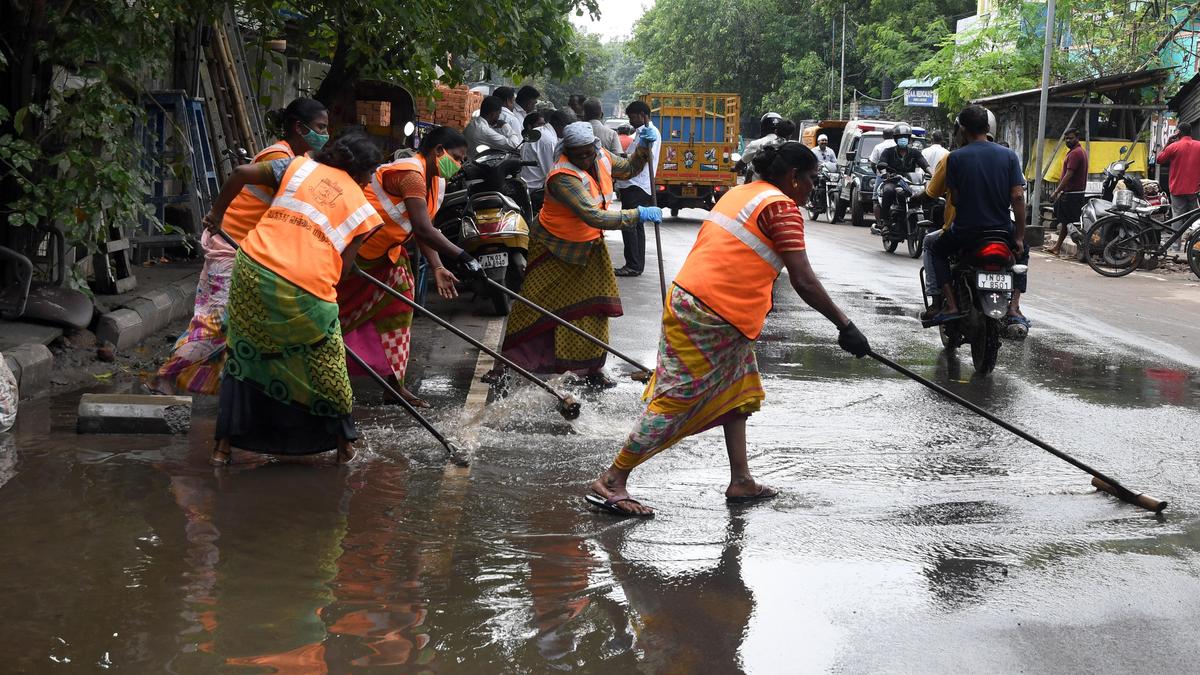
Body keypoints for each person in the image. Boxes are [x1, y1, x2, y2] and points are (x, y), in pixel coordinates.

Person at [586, 142, 870, 517]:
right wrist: (845, 325)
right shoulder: (781, 207)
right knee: (677, 399)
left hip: (699, 303)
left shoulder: (742, 193)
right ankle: (613, 479)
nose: (813, 187)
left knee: (739, 391)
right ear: (793, 177)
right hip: (711, 314)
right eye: (812, 179)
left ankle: (741, 480)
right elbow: (803, 280)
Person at [204, 133, 386, 466]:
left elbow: (241, 173)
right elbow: (342, 271)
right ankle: (344, 448)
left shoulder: (296, 166)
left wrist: (217, 215)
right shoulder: (365, 211)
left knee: (244, 356)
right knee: (327, 365)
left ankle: (222, 449)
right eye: (371, 172)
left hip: (253, 269)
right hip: (305, 287)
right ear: (361, 171)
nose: (371, 179)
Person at [149, 98, 329, 396]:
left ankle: (224, 386)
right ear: (300, 128)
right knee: (219, 319)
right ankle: (166, 376)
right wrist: (216, 214)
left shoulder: (297, 160)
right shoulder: (281, 158)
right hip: (230, 245)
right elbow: (240, 173)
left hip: (245, 249)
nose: (324, 135)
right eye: (320, 128)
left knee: (235, 321)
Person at [336, 126, 484, 409]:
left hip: (388, 255)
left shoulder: (436, 181)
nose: (458, 165)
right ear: (438, 151)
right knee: (337, 314)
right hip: (355, 255)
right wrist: (463, 256)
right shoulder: (411, 175)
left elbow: (425, 229)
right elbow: (422, 228)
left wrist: (437, 266)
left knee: (400, 308)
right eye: (456, 157)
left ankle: (395, 386)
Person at [502, 122, 659, 389]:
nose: (585, 158)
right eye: (578, 154)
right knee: (534, 303)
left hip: (588, 245)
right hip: (553, 247)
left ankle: (592, 368)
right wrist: (637, 215)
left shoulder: (603, 157)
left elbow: (630, 168)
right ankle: (509, 363)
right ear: (567, 151)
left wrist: (643, 147)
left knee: (594, 306)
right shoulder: (562, 176)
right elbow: (593, 215)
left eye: (588, 152)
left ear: (595, 147)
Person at [920, 106, 1028, 328]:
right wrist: (1018, 237)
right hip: (1001, 230)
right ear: (988, 127)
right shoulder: (1009, 156)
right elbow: (1018, 196)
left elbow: (956, 198)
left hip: (965, 232)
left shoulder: (955, 158)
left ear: (962, 129)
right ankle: (1014, 306)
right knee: (1023, 252)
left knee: (935, 249)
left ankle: (950, 305)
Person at [614, 100, 661, 277]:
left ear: (643, 115)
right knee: (636, 226)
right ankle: (636, 264)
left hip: (636, 185)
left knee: (629, 224)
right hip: (636, 185)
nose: (630, 121)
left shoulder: (649, 133)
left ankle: (633, 265)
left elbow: (644, 157)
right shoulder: (641, 132)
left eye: (632, 117)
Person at [873, 123, 929, 230]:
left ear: (909, 139)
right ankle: (886, 222)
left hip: (910, 183)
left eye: (905, 137)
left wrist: (933, 174)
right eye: (900, 137)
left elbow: (925, 165)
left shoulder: (914, 152)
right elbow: (881, 164)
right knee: (888, 191)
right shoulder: (888, 152)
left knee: (926, 193)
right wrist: (884, 173)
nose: (903, 139)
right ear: (895, 139)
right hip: (893, 181)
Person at [1046, 128, 1088, 256]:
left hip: (1072, 194)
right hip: (1073, 193)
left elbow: (1069, 174)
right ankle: (1058, 247)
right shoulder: (1077, 152)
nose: (1068, 140)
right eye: (1066, 138)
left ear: (1077, 138)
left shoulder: (1076, 153)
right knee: (1066, 221)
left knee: (1071, 222)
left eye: (1071, 138)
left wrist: (1056, 192)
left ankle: (1082, 248)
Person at [1150, 122, 1200, 225]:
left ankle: (1177, 236)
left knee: (1177, 216)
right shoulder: (1198, 145)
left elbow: (1159, 159)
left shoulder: (1173, 146)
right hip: (1195, 189)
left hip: (1177, 188)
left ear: (1178, 132)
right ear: (1190, 132)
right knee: (1196, 218)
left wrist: (1168, 142)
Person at [522, 109, 569, 215]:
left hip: (528, 185)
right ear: (559, 124)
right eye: (567, 128)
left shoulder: (539, 131)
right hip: (536, 190)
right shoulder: (549, 141)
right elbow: (552, 174)